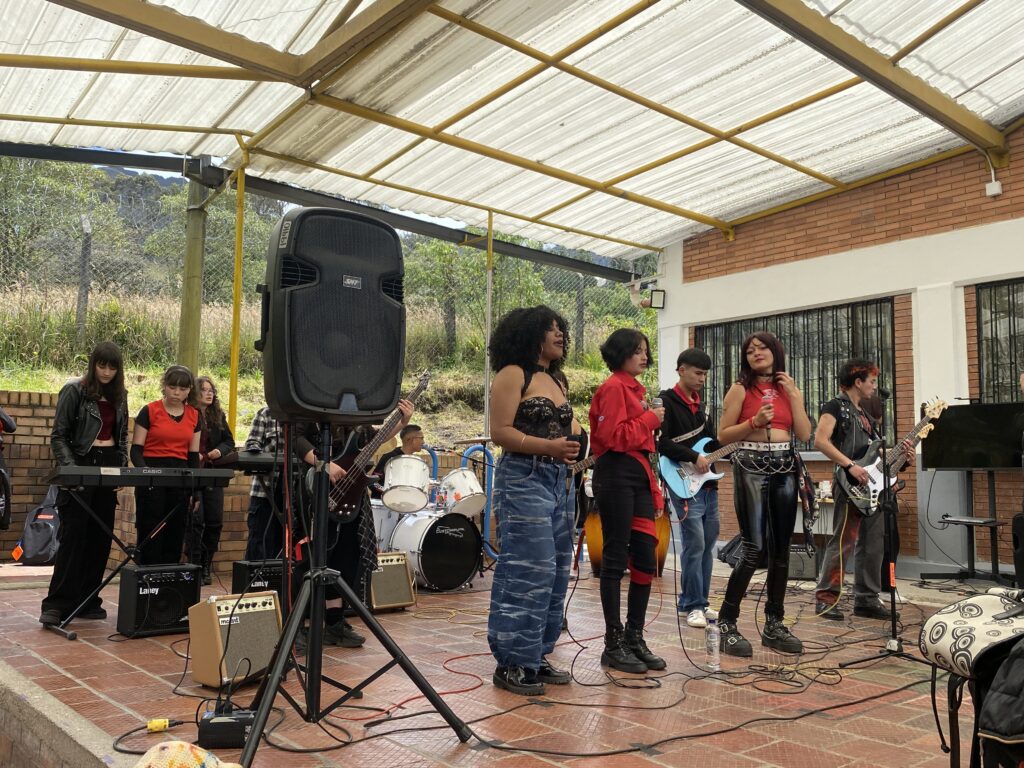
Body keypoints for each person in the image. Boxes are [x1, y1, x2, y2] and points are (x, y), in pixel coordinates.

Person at [487, 305, 579, 696]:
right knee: (528, 569)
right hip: (524, 479)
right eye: (551, 328)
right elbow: (500, 432)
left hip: (560, 482)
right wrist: (549, 447)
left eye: (561, 328)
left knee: (556, 570)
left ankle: (536, 654)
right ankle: (511, 662)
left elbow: (572, 430)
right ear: (529, 334)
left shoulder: (557, 380)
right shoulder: (513, 374)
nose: (559, 334)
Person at [716, 331, 812, 657]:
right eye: (750, 350)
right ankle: (727, 622)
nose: (756, 353)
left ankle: (774, 623)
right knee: (754, 548)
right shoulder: (740, 389)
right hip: (750, 466)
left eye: (762, 348)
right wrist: (753, 422)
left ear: (775, 352)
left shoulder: (788, 388)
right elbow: (723, 435)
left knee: (781, 550)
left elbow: (804, 433)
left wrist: (795, 398)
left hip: (785, 467)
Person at [293, 398, 414, 649]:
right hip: (316, 490)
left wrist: (402, 422)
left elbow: (374, 439)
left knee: (345, 559)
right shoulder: (310, 401)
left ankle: (334, 623)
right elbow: (296, 437)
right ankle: (299, 627)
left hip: (351, 494)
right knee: (309, 560)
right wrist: (324, 464)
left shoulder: (353, 408)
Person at [589, 328, 666, 673]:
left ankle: (635, 636)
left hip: (638, 476)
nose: (644, 356)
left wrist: (654, 489)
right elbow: (611, 438)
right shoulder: (613, 388)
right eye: (637, 350)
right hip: (616, 474)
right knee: (616, 555)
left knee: (646, 556)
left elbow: (643, 446)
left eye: (646, 350)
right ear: (620, 353)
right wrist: (649, 419)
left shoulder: (636, 390)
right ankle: (613, 641)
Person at [40, 341, 129, 625]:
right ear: (93, 365)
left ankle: (88, 600)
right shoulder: (74, 390)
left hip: (108, 464)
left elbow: (122, 436)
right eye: (102, 366)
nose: (106, 372)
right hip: (80, 461)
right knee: (73, 536)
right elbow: (59, 435)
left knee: (100, 538)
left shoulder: (120, 395)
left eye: (112, 367)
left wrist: (121, 467)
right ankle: (57, 604)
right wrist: (72, 470)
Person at [658, 348, 720, 629]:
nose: (702, 379)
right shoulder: (665, 402)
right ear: (681, 370)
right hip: (682, 480)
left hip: (707, 482)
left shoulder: (702, 408)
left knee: (708, 543)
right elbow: (661, 443)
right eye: (698, 373)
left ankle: (700, 601)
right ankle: (692, 604)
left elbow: (712, 443)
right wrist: (693, 457)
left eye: (705, 374)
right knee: (694, 543)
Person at [131, 365, 201, 566]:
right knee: (150, 527)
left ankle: (169, 574)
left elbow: (193, 456)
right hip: (152, 474)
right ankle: (147, 572)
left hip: (180, 477)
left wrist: (195, 491)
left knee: (176, 529)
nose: (176, 393)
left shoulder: (195, 415)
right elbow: (136, 450)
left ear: (189, 390)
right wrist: (146, 473)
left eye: (182, 389)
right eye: (172, 387)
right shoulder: (150, 410)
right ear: (164, 386)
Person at [186, 376, 234, 585]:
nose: (209, 393)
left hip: (212, 473)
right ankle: (194, 564)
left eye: (211, 390)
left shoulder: (218, 415)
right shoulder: (187, 413)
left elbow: (229, 441)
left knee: (215, 521)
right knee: (196, 520)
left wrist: (218, 451)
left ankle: (206, 564)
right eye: (204, 390)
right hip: (194, 472)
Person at [243, 405, 285, 562]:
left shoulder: (300, 415)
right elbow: (252, 442)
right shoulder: (265, 413)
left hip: (291, 490)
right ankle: (254, 577)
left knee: (281, 544)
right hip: (264, 488)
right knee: (259, 542)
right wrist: (257, 454)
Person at [371, 423, 425, 498]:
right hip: (384, 502)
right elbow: (373, 483)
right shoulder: (391, 456)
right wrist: (388, 491)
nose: (423, 442)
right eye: (421, 438)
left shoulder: (414, 461)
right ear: (409, 439)